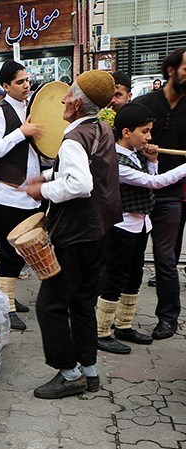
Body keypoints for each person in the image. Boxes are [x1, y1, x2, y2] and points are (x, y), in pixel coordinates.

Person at [23, 70, 121, 399]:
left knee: (50, 305)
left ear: (77, 104)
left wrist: (44, 190)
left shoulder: (72, 139)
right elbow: (86, 170)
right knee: (82, 302)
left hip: (75, 233)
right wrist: (48, 176)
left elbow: (80, 184)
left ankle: (69, 373)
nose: (63, 100)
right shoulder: (103, 128)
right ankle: (90, 371)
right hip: (98, 230)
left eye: (68, 95)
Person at [96, 103, 186, 354]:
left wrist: (153, 160)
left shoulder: (133, 154)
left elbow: (148, 180)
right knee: (115, 277)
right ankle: (101, 331)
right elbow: (153, 183)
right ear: (126, 132)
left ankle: (123, 325)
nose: (149, 137)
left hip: (139, 225)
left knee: (134, 277)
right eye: (144, 131)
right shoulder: (115, 159)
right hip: (121, 227)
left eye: (150, 132)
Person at [0, 60, 41, 330]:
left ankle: (11, 296)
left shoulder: (32, 108)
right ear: (5, 86)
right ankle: (7, 307)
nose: (26, 85)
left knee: (23, 250)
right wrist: (20, 133)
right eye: (19, 82)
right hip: (4, 193)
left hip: (29, 192)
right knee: (7, 251)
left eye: (27, 80)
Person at [133, 47, 186, 340]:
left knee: (166, 258)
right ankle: (119, 319)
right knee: (130, 256)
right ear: (171, 70)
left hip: (170, 194)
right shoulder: (145, 104)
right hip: (137, 191)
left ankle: (167, 318)